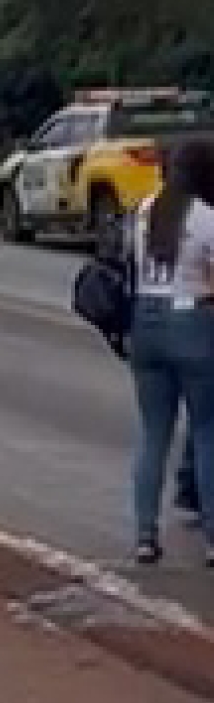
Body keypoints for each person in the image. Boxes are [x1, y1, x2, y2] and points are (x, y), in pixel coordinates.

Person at [129, 138, 214, 566]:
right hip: (191, 322)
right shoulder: (206, 219)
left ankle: (145, 535)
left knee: (153, 435)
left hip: (146, 321)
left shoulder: (144, 212)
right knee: (205, 431)